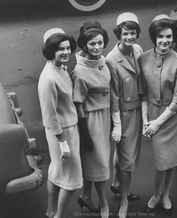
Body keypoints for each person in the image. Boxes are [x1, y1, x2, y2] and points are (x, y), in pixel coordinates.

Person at [139, 14, 177, 215]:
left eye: (169, 37)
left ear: (173, 38)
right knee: (161, 162)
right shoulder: (143, 58)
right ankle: (156, 193)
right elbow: (142, 91)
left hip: (173, 117)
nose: (164, 41)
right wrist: (146, 121)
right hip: (153, 113)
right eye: (160, 36)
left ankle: (166, 194)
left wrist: (156, 123)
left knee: (171, 160)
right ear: (154, 37)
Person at [38, 28, 83, 218]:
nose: (66, 52)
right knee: (72, 180)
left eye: (67, 48)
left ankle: (50, 212)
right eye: (60, 49)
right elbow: (50, 115)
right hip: (61, 133)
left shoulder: (59, 68)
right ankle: (58, 216)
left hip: (67, 129)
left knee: (57, 172)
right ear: (50, 51)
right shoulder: (48, 79)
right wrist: (63, 142)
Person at [71, 21, 110, 218]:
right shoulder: (79, 71)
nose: (97, 47)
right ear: (85, 45)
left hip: (105, 117)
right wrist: (85, 133)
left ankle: (86, 197)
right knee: (101, 164)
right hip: (91, 120)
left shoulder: (102, 60)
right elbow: (78, 105)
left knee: (94, 164)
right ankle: (104, 205)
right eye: (92, 44)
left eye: (100, 43)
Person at [106, 12, 143, 218]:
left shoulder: (137, 49)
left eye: (133, 33)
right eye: (125, 33)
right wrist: (117, 125)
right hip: (124, 113)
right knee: (127, 159)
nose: (129, 37)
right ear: (118, 33)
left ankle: (116, 184)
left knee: (123, 155)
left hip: (137, 110)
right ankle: (124, 199)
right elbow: (113, 96)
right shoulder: (112, 59)